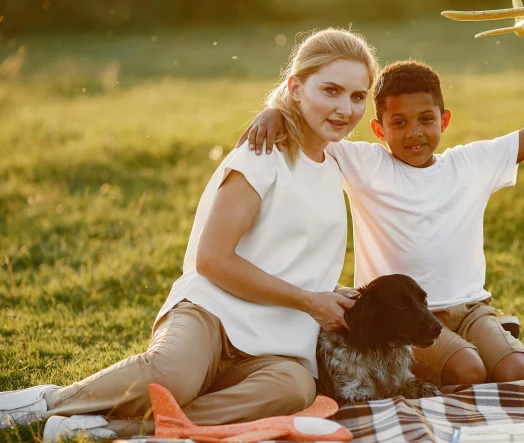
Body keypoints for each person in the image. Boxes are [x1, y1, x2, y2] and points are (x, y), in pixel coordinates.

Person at [0, 28, 379, 441]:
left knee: (294, 388)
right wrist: (310, 301)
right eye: (330, 90)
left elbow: (291, 254)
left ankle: (112, 426)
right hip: (212, 312)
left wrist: (329, 293)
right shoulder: (264, 153)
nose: (344, 108)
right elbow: (212, 259)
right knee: (174, 375)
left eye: (357, 97)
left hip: (277, 343)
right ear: (295, 87)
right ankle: (47, 404)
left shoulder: (338, 161)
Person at [238, 15, 524, 391]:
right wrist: (276, 111)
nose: (414, 133)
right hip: (400, 319)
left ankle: (494, 335)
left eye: (426, 119)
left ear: (444, 120)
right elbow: (311, 121)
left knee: (520, 372)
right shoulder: (365, 164)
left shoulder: (469, 164)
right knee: (469, 371)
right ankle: (464, 353)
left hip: (472, 308)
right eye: (399, 123)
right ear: (379, 130)